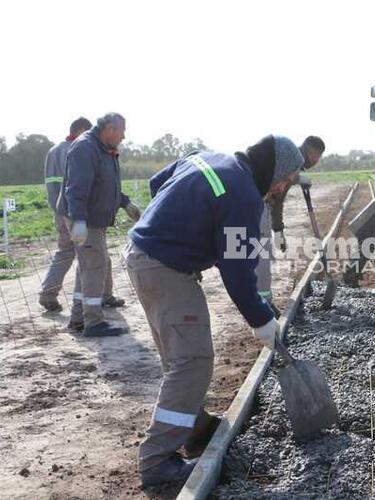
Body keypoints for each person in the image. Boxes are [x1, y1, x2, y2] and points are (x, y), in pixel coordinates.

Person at [123, 136, 305, 487]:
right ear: (274, 170)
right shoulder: (243, 196)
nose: (283, 187)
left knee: (179, 357)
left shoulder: (207, 158)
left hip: (141, 255)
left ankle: (193, 427)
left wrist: (173, 223)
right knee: (193, 360)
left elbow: (157, 183)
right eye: (286, 178)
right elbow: (236, 272)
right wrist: (261, 321)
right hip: (164, 268)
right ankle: (157, 463)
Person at [57, 113, 141, 336]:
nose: (123, 137)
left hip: (92, 218)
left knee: (88, 267)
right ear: (111, 129)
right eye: (122, 132)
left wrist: (125, 202)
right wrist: (80, 222)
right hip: (85, 218)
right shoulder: (85, 148)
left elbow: (106, 184)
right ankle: (93, 323)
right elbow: (76, 189)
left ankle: (78, 319)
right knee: (95, 266)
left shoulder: (104, 149)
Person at [38, 117, 126, 313]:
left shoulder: (55, 150)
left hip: (64, 210)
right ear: (80, 130)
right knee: (96, 258)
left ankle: (48, 293)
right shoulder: (84, 148)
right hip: (77, 213)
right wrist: (75, 218)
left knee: (70, 254)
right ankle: (102, 298)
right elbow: (75, 187)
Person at [256, 136, 325, 311]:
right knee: (263, 255)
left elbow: (278, 199)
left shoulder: (295, 162)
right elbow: (277, 198)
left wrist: (278, 230)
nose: (317, 162)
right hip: (259, 204)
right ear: (312, 153)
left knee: (263, 254)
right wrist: (278, 230)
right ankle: (264, 304)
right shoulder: (292, 162)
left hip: (262, 205)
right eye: (317, 157)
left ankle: (263, 299)